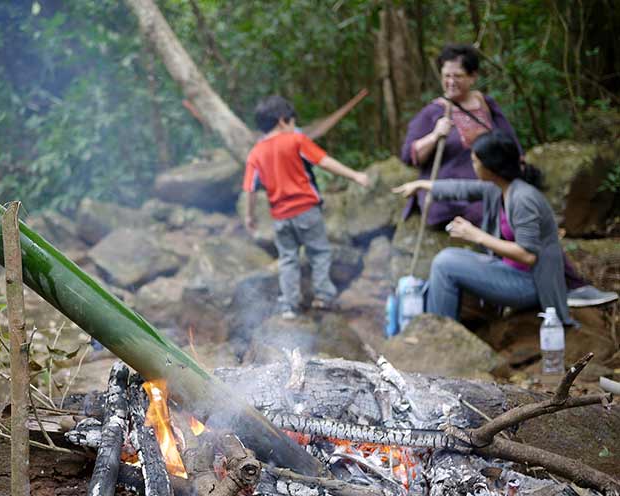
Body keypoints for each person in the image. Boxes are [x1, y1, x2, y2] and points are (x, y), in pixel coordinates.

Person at [401, 43, 617, 308]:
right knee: (493, 216)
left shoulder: (485, 105)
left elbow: (509, 142)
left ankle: (566, 285)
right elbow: (409, 155)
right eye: (446, 75)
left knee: (519, 224)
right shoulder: (434, 112)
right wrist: (434, 137)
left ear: (472, 77)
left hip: (493, 186)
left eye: (457, 76)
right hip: (465, 196)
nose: (450, 81)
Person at [393, 130, 573, 325]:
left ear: (491, 166)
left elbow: (528, 255)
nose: (473, 166)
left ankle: (441, 331)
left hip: (533, 284)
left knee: (445, 264)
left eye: (475, 161)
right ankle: (440, 329)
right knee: (446, 258)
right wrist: (422, 185)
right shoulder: (499, 188)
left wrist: (476, 235)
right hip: (510, 271)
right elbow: (461, 188)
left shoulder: (523, 199)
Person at [243, 95, 371, 319]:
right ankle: (322, 296)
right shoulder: (295, 140)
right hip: (306, 210)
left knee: (288, 259)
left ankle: (290, 305)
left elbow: (250, 189)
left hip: (280, 216)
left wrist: (249, 216)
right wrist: (355, 175)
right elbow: (324, 162)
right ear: (284, 121)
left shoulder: (255, 153)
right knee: (319, 252)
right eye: (293, 121)